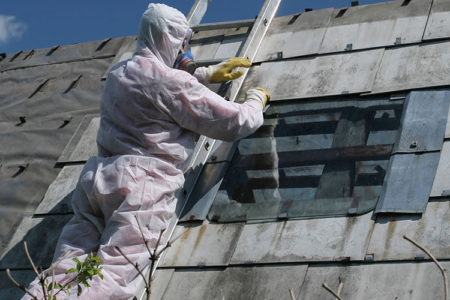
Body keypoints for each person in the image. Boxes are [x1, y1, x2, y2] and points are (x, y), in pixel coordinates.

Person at [24, 3, 269, 299]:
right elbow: (233, 122)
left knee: (66, 267)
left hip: (98, 181)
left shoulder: (119, 73)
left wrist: (203, 75)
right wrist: (255, 101)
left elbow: (153, 90)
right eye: (183, 43)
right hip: (142, 186)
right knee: (115, 272)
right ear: (169, 39)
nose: (185, 51)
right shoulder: (171, 83)